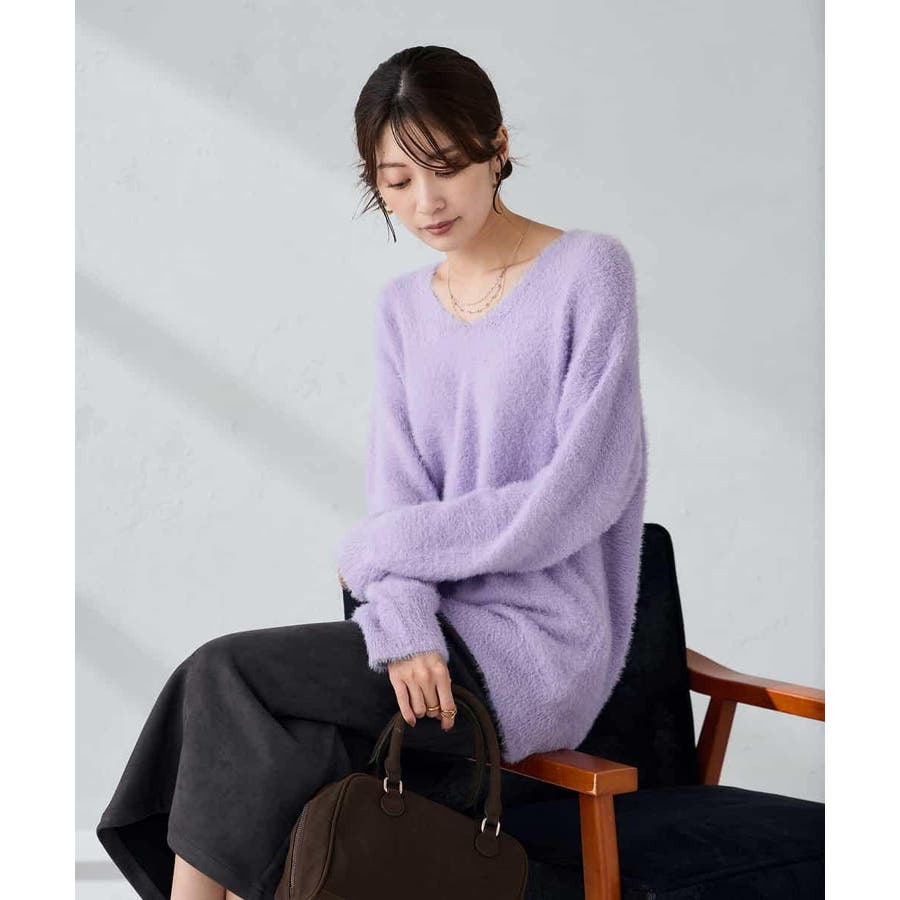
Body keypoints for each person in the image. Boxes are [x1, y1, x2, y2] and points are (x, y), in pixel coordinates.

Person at [96, 44, 648, 900]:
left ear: (498, 147)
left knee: (224, 673)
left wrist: (375, 551)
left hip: (535, 650)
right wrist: (406, 624)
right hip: (430, 639)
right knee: (279, 745)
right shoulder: (402, 311)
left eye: (447, 167)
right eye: (397, 181)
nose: (427, 202)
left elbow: (578, 494)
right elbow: (398, 501)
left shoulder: (588, 271)